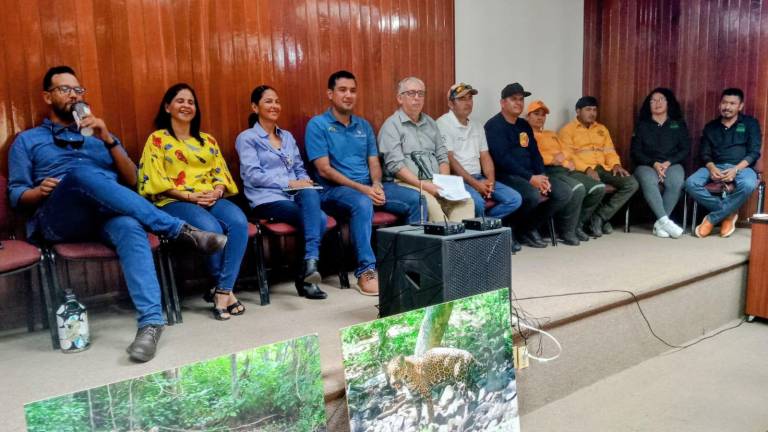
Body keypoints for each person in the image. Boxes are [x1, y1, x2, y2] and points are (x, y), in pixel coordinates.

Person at [8, 66, 227, 362]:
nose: (73, 95)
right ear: (47, 96)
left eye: (78, 90)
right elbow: (17, 195)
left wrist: (107, 138)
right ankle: (179, 230)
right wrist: (39, 191)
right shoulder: (28, 140)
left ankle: (151, 324)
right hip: (60, 217)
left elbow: (133, 180)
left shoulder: (101, 136)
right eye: (64, 89)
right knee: (81, 174)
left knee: (129, 227)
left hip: (106, 214)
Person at [138, 83, 249, 321]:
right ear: (167, 107)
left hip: (210, 197)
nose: (186, 106)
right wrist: (190, 196)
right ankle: (227, 294)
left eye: (191, 102)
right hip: (174, 200)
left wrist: (217, 192)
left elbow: (220, 173)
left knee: (239, 222)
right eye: (180, 101)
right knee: (211, 228)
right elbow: (154, 180)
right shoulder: (157, 139)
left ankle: (222, 290)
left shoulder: (207, 140)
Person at [306, 71, 422, 296]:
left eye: (352, 90)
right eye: (342, 90)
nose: (348, 95)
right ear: (330, 94)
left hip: (367, 187)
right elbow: (324, 169)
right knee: (362, 202)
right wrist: (364, 189)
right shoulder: (318, 125)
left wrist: (376, 184)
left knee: (417, 199)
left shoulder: (363, 126)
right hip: (333, 191)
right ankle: (366, 272)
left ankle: (411, 266)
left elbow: (374, 162)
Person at [236, 85, 328, 300]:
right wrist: (289, 182)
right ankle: (307, 273)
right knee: (319, 219)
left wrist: (303, 181)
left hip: (293, 197)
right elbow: (253, 176)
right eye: (268, 101)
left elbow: (299, 168)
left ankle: (309, 265)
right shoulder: (247, 138)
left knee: (311, 195)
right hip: (265, 199)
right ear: (255, 107)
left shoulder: (287, 137)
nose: (274, 105)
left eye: (277, 101)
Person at [484, 83, 575, 247]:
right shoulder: (493, 126)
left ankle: (528, 228)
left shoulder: (523, 125)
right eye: (514, 99)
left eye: (521, 99)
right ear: (502, 103)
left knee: (564, 192)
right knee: (532, 195)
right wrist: (531, 178)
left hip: (531, 175)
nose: (518, 103)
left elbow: (535, 153)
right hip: (506, 176)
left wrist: (542, 176)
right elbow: (502, 159)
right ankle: (510, 228)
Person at [378, 76, 475, 223]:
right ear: (400, 98)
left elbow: (442, 156)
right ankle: (444, 234)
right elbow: (396, 167)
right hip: (406, 183)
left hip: (435, 182)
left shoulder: (430, 123)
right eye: (411, 93)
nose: (417, 98)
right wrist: (426, 186)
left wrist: (443, 183)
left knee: (466, 202)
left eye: (421, 93)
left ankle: (455, 236)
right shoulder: (391, 126)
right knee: (431, 205)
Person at [436, 82, 522, 223]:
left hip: (479, 177)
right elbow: (449, 160)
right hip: (458, 180)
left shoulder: (477, 126)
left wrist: (490, 182)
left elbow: (485, 156)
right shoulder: (443, 124)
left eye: (470, 98)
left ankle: (485, 225)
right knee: (478, 203)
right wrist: (476, 185)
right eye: (462, 99)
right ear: (451, 104)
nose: (468, 102)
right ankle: (484, 228)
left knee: (514, 199)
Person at [685, 88, 761, 238]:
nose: (727, 107)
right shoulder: (711, 126)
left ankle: (712, 219)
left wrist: (735, 169)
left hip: (742, 167)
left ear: (740, 106)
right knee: (690, 183)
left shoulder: (750, 124)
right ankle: (729, 213)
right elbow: (704, 153)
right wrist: (711, 167)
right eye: (725, 103)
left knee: (748, 184)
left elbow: (754, 152)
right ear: (720, 104)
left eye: (732, 103)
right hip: (714, 166)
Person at [558, 96, 639, 237]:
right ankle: (594, 221)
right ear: (578, 111)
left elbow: (609, 151)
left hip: (603, 168)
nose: (592, 113)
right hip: (581, 171)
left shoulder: (601, 129)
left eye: (594, 110)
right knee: (597, 186)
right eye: (588, 109)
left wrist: (616, 164)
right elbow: (569, 156)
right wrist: (587, 169)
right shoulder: (567, 130)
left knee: (631, 183)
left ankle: (600, 217)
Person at [527, 100, 603, 243]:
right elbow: (533, 157)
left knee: (598, 188)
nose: (540, 117)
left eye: (543, 115)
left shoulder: (551, 134)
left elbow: (567, 150)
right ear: (528, 116)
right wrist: (552, 160)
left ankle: (577, 225)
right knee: (578, 188)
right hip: (549, 170)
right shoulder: (527, 135)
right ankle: (567, 231)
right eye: (536, 114)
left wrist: (564, 159)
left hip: (565, 168)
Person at [631, 88, 690, 238]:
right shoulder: (642, 125)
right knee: (648, 180)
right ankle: (665, 221)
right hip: (647, 165)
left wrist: (669, 163)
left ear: (668, 103)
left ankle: (660, 224)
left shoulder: (678, 124)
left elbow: (685, 149)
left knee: (676, 182)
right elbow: (635, 151)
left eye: (661, 99)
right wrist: (654, 163)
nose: (657, 103)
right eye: (653, 100)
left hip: (672, 164)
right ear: (648, 105)